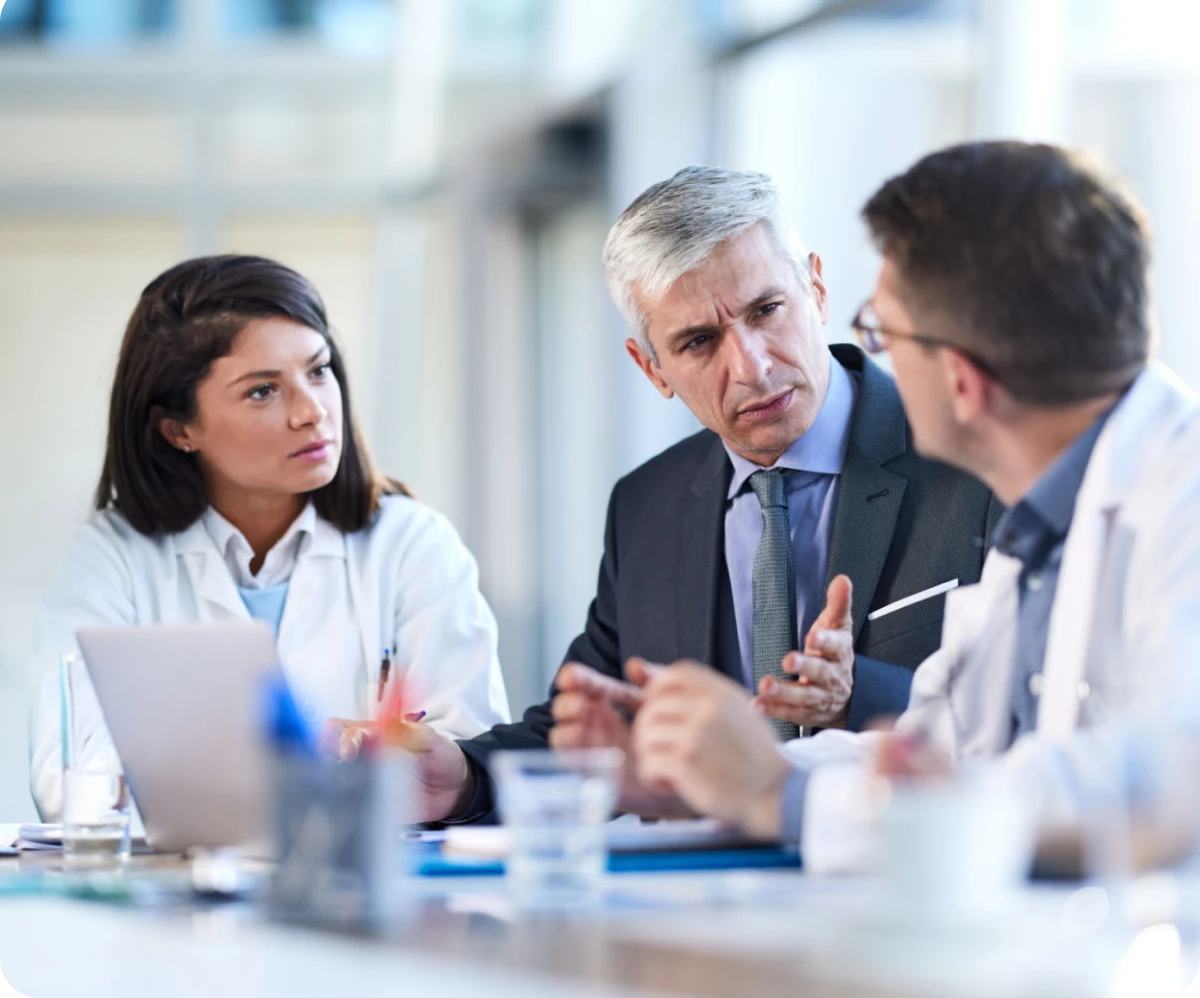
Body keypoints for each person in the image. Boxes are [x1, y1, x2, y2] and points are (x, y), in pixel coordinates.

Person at [621, 141, 1200, 868]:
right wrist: (710, 779)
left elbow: (1159, 789)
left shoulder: (1177, 500)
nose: (875, 361)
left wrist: (779, 797)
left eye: (881, 333)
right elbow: (942, 747)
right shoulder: (1047, 525)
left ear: (960, 379)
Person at [371, 166, 998, 824]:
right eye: (699, 342)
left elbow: (1025, 719)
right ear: (652, 369)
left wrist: (858, 695)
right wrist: (463, 778)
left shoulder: (974, 460)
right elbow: (593, 726)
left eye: (766, 310)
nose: (752, 366)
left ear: (815, 288)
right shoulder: (648, 507)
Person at [29, 255, 511, 821]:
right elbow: (73, 776)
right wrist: (293, 769)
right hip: (182, 876)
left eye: (319, 370)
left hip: (365, 869)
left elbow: (466, 765)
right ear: (179, 430)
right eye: (263, 391)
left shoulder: (412, 544)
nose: (311, 412)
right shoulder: (111, 557)